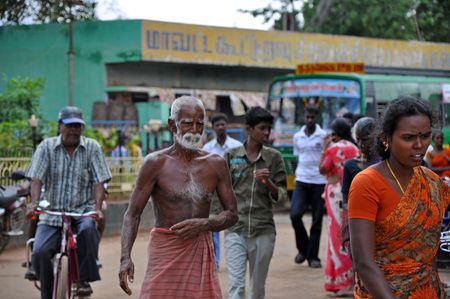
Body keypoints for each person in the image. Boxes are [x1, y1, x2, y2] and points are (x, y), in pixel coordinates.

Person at [118, 96, 238, 298]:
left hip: (199, 249)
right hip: (165, 250)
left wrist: (204, 225)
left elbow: (232, 214)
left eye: (200, 124)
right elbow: (132, 214)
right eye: (187, 123)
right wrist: (125, 258)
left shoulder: (216, 164)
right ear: (172, 125)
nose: (194, 130)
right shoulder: (155, 163)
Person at [348, 96, 450, 298]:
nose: (420, 145)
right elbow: (363, 262)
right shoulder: (367, 183)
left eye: (426, 136)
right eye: (409, 138)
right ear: (386, 139)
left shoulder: (431, 181)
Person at [26, 106, 112, 299]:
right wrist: (34, 203)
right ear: (60, 126)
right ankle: (47, 294)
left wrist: (97, 209)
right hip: (53, 211)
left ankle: (84, 280)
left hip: (82, 209)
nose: (73, 130)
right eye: (69, 125)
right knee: (40, 252)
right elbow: (36, 179)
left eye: (77, 126)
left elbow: (99, 181)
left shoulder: (92, 147)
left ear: (82, 128)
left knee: (89, 229)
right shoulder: (46, 147)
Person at [223, 106, 287, 299]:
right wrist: (216, 219)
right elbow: (221, 191)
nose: (266, 132)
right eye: (262, 128)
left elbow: (282, 196)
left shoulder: (274, 158)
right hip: (236, 229)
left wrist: (268, 183)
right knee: (236, 287)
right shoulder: (231, 157)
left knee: (257, 289)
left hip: (263, 230)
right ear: (249, 129)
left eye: (269, 128)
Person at [319, 117, 359, 296]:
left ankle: (340, 281)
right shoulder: (355, 148)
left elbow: (323, 169)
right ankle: (353, 279)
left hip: (335, 194)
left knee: (336, 236)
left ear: (334, 134)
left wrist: (324, 149)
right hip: (352, 194)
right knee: (350, 235)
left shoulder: (333, 148)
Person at [203, 112, 242, 269]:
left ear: (227, 126)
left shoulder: (237, 147)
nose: (220, 127)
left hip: (231, 191)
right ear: (213, 128)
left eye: (223, 124)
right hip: (212, 195)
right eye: (217, 125)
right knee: (214, 227)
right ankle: (215, 262)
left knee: (233, 227)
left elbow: (241, 169)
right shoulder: (207, 148)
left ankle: (235, 261)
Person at [290, 105, 327, 268]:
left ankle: (313, 257)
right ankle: (303, 249)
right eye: (307, 117)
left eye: (312, 117)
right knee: (295, 215)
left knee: (317, 220)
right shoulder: (297, 136)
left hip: (319, 181)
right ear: (304, 118)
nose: (310, 120)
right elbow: (298, 156)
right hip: (302, 179)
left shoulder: (323, 136)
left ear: (316, 118)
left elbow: (327, 157)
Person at [340, 117, 379, 250]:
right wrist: (356, 214)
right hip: (357, 223)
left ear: (375, 137)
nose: (362, 144)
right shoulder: (350, 165)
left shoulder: (385, 164)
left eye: (365, 139)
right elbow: (345, 199)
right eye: (359, 140)